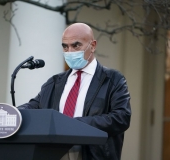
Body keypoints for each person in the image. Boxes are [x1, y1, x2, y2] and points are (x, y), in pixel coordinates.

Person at [18, 23, 131, 160]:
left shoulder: (113, 79)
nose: (70, 52)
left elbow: (121, 117)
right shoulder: (55, 82)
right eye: (65, 47)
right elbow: (33, 106)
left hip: (91, 153)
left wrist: (75, 125)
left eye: (76, 45)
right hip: (54, 151)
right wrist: (12, 114)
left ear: (93, 45)